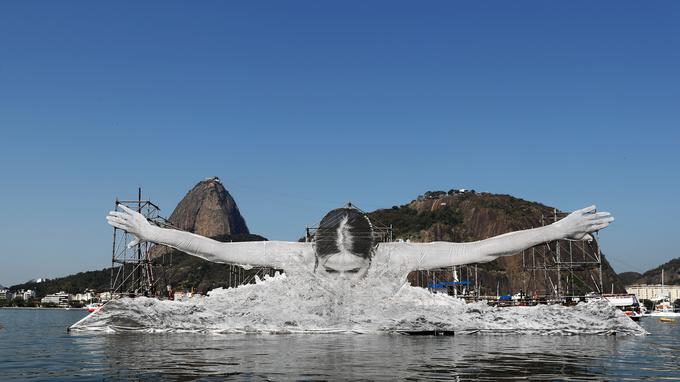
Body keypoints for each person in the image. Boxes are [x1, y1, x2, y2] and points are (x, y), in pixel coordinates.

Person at [106, 203, 613, 283]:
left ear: (374, 253)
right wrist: (152, 232)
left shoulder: (399, 256)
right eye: (336, 271)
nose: (346, 280)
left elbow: (490, 246)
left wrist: (553, 230)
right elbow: (214, 249)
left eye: (355, 270)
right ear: (316, 255)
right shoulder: (292, 256)